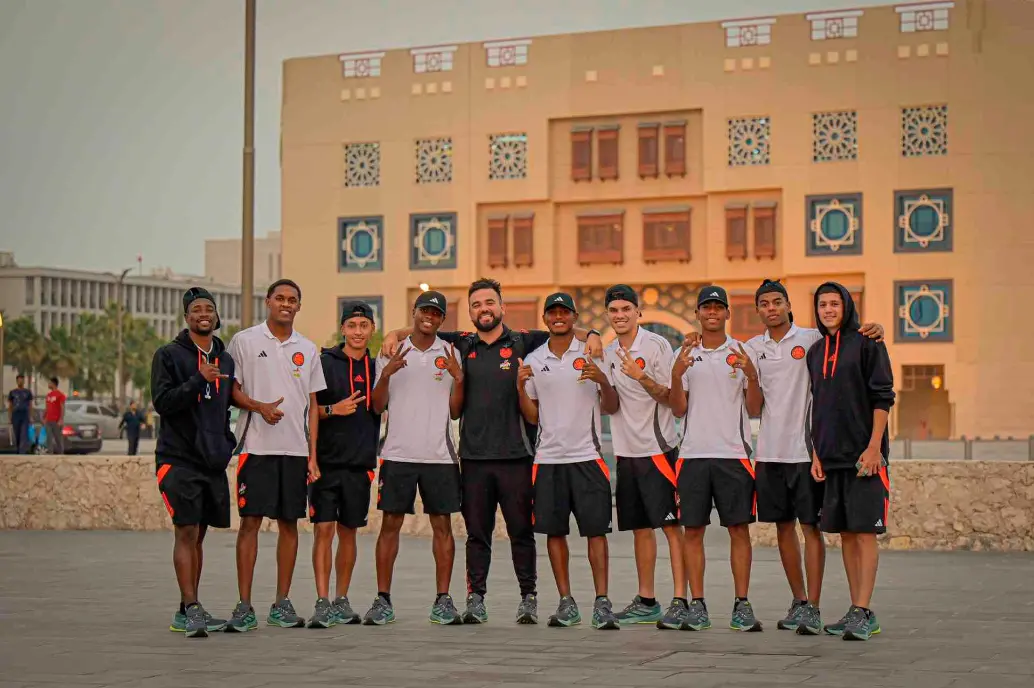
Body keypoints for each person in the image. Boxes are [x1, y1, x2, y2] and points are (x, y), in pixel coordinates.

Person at [380, 277, 603, 625]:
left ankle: (528, 598)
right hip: (473, 458)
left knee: (521, 532)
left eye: (489, 303)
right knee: (477, 534)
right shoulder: (462, 343)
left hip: (517, 456)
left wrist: (593, 336)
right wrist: (393, 333)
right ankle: (476, 599)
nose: (483, 309)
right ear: (469, 312)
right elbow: (423, 325)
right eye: (476, 305)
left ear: (502, 307)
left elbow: (565, 326)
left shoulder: (525, 342)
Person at [744, 279, 884, 636]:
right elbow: (753, 406)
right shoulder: (750, 348)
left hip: (808, 453)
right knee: (783, 528)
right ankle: (801, 601)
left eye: (778, 301)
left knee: (813, 528)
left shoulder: (812, 341)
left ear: (790, 305)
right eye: (764, 303)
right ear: (757, 309)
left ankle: (819, 607)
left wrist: (875, 328)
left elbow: (869, 377)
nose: (771, 308)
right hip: (770, 454)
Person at [225, 279, 326, 632]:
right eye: (280, 298)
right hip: (256, 449)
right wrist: (259, 407)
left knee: (289, 525)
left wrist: (312, 455)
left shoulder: (309, 349)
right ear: (268, 301)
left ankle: (281, 603)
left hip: (294, 452)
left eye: (292, 300)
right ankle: (244, 606)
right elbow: (232, 390)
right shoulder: (245, 341)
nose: (286, 304)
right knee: (250, 523)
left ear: (299, 306)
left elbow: (313, 405)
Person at [518, 292, 620, 630]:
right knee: (554, 533)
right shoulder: (534, 359)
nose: (558, 317)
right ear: (545, 318)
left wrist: (602, 378)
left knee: (596, 533)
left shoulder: (591, 353)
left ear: (574, 316)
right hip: (548, 460)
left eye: (564, 312)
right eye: (553, 312)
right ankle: (566, 602)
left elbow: (611, 405)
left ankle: (602, 602)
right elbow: (532, 417)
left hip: (587, 457)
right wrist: (520, 388)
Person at [364, 290, 465, 625]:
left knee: (442, 527)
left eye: (436, 314)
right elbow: (377, 406)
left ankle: (443, 599)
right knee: (389, 526)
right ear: (414, 312)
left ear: (441, 319)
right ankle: (382, 599)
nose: (430, 317)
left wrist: (460, 379)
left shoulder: (450, 353)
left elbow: (454, 411)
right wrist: (387, 372)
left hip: (440, 455)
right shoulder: (393, 350)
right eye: (425, 311)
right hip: (397, 454)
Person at [668, 285, 762, 633]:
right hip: (692, 456)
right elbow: (678, 409)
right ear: (697, 313)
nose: (711, 312)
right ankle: (698, 605)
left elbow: (754, 409)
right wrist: (677, 374)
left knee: (739, 529)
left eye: (717, 307)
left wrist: (752, 374)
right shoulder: (686, 352)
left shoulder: (741, 351)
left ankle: (742, 604)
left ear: (726, 314)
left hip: (733, 456)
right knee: (692, 531)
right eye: (705, 307)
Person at [807, 282, 895, 641]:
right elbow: (818, 405)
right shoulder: (815, 352)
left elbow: (883, 397)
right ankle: (855, 609)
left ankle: (863, 610)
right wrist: (817, 452)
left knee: (864, 533)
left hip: (864, 457)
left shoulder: (868, 343)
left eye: (834, 303)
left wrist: (874, 447)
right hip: (831, 459)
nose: (828, 309)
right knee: (844, 534)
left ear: (846, 306)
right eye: (822, 304)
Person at [599, 285, 689, 630]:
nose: (620, 315)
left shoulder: (656, 345)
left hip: (658, 450)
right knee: (640, 528)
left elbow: (671, 398)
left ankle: (681, 599)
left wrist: (641, 377)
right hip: (626, 453)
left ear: (638, 312)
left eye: (626, 309)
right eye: (614, 310)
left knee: (670, 527)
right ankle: (647, 600)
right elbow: (612, 404)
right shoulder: (606, 352)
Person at [150, 287, 237, 638]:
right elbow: (163, 402)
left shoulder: (226, 358)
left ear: (216, 318)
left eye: (209, 309)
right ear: (187, 317)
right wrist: (198, 379)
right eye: (197, 309)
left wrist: (227, 442)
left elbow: (229, 400)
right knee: (185, 531)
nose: (204, 313)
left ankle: (188, 608)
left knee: (199, 536)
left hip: (212, 462)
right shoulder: (169, 355)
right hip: (178, 458)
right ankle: (192, 608)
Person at [307, 301, 381, 628]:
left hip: (359, 465)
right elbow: (306, 411)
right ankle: (322, 601)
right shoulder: (323, 363)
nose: (357, 332)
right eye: (352, 326)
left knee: (348, 532)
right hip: (324, 464)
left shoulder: (378, 368)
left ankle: (341, 599)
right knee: (323, 530)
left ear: (372, 330)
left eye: (364, 326)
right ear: (343, 329)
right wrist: (333, 410)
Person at [7, 374, 33, 454]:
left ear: (24, 381)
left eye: (22, 380)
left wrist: (31, 416)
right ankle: (18, 449)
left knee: (23, 433)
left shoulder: (28, 392)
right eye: (19, 380)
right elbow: (10, 406)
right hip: (15, 415)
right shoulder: (12, 392)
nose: (20, 381)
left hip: (24, 415)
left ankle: (22, 452)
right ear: (17, 381)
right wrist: (9, 417)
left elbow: (30, 405)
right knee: (17, 433)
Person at [43, 378, 66, 455]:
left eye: (49, 383)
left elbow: (62, 407)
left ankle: (61, 454)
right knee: (49, 438)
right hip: (48, 421)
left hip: (56, 421)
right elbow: (47, 407)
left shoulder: (60, 395)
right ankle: (50, 454)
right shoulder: (48, 395)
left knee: (58, 439)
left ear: (53, 383)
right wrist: (44, 417)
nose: (48, 384)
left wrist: (61, 419)